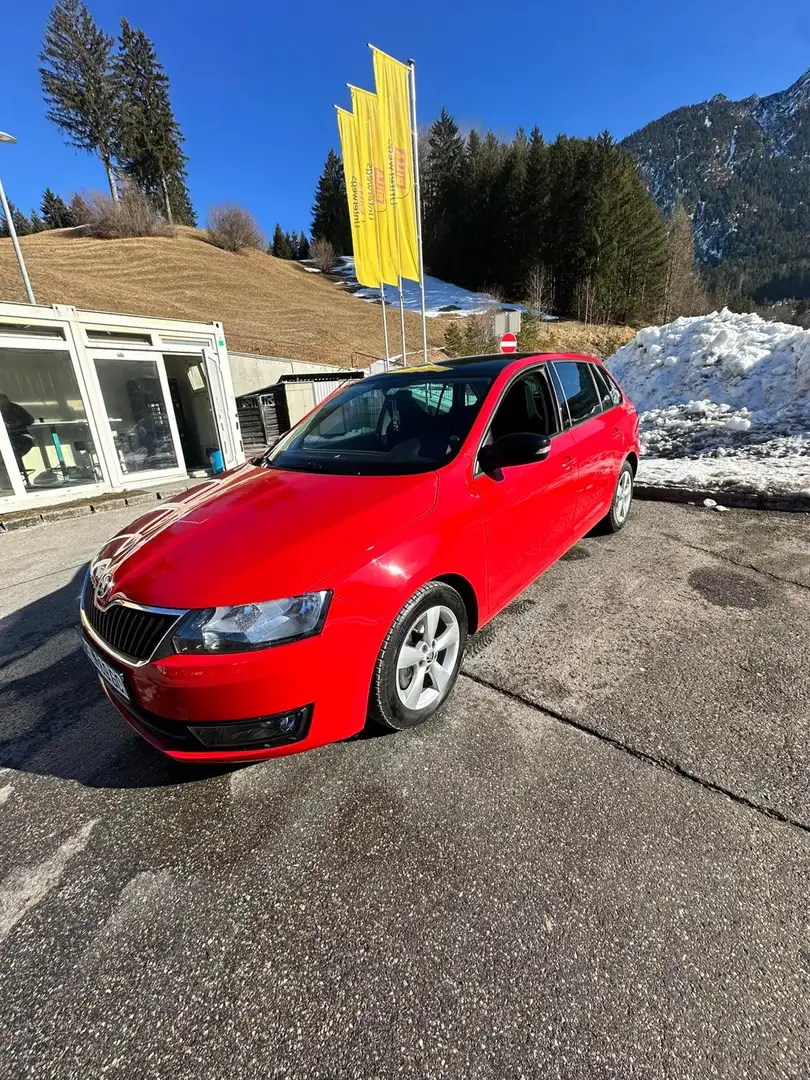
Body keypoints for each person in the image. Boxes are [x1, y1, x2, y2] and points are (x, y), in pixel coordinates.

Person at [0, 392, 36, 478]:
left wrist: (15, 423)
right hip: (5, 438)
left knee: (16, 450)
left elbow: (30, 419)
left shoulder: (15, 408)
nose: (3, 405)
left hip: (21, 436)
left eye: (4, 403)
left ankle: (12, 467)